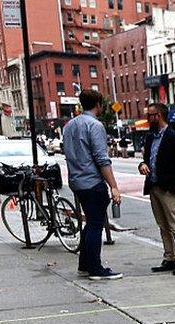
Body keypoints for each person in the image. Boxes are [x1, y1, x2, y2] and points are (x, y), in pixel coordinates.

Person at [62, 89, 123, 280]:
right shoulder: (94, 125)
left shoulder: (69, 126)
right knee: (96, 224)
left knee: (91, 221)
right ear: (99, 105)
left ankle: (84, 264)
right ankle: (95, 268)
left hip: (76, 181)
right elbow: (101, 159)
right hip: (92, 181)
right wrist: (113, 185)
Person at [139, 102, 175, 275]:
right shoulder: (150, 137)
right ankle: (169, 258)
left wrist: (173, 186)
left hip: (168, 188)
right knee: (162, 225)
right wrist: (142, 165)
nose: (148, 118)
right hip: (153, 186)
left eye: (150, 115)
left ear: (158, 116)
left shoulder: (174, 137)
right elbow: (146, 158)